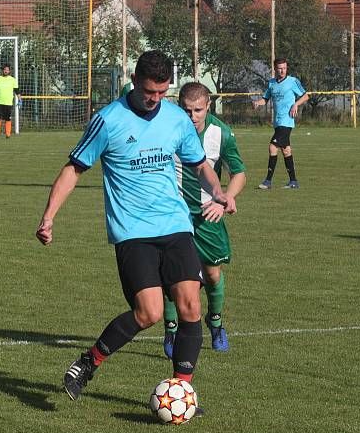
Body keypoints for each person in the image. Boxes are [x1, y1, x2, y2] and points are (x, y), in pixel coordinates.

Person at [35, 50, 228, 403]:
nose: (155, 100)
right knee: (150, 313)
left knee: (190, 308)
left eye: (162, 93)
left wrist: (219, 192)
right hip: (133, 233)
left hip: (175, 225)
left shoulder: (176, 119)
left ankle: (180, 390)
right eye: (149, 92)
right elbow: (73, 170)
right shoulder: (108, 120)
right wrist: (49, 217)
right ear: (135, 81)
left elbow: (199, 165)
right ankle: (88, 363)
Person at [162, 83, 246, 358]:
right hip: (173, 215)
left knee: (211, 273)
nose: (192, 116)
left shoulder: (220, 132)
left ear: (208, 106)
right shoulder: (166, 127)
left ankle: (216, 322)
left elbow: (239, 173)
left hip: (207, 214)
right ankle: (172, 328)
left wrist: (225, 200)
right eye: (187, 110)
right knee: (173, 276)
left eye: (198, 110)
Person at [252, 57, 309, 189]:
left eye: (284, 68)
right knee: (286, 150)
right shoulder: (272, 83)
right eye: (279, 68)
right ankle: (293, 181)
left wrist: (296, 104)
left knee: (272, 147)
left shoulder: (293, 81)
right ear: (275, 69)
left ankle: (268, 181)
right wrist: (257, 103)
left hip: (286, 122)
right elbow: (265, 99)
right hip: (277, 123)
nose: (282, 70)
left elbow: (305, 96)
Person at [0, 64, 21, 138]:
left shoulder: (13, 80)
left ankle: (8, 134)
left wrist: (20, 100)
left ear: (9, 71)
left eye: (7, 70)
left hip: (8, 102)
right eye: (4, 70)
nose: (6, 71)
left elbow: (17, 91)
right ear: (2, 70)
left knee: (8, 118)